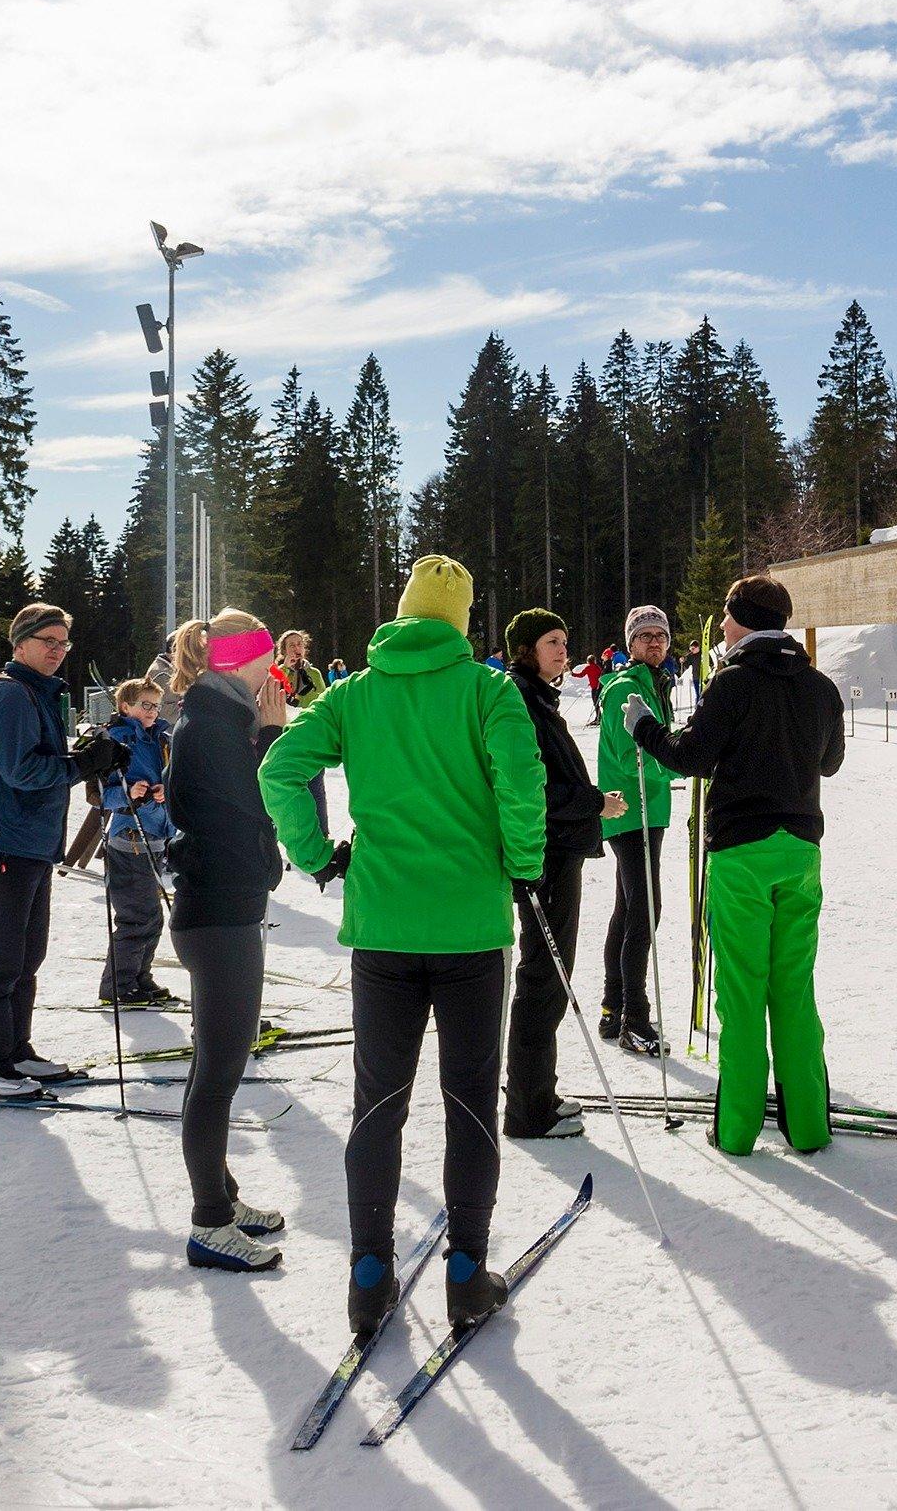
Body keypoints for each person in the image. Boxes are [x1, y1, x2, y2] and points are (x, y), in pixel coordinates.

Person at [260, 556, 546, 1339]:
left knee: (377, 1105)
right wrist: (523, 865)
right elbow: (522, 784)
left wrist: (316, 855)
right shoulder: (489, 691)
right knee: (468, 1103)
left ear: (403, 612)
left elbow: (280, 768)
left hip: (383, 931)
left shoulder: (354, 693)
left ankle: (368, 1273)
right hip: (469, 932)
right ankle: (464, 1271)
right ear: (459, 620)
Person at [626, 575, 843, 1156]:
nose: (720, 627)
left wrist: (644, 726)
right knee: (793, 989)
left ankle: (738, 1128)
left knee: (743, 992)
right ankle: (809, 1126)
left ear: (744, 619)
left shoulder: (732, 681)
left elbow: (691, 756)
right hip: (800, 850)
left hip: (742, 850)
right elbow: (831, 762)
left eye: (726, 617)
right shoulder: (819, 685)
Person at [161, 609, 292, 1271]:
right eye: (265, 659)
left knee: (216, 1066)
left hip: (225, 908)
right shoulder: (210, 725)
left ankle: (222, 1195)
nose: (274, 673)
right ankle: (207, 1223)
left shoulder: (217, 716)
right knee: (218, 1072)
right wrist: (271, 739)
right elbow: (252, 804)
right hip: (215, 916)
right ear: (241, 662)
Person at [0, 604, 128, 1099]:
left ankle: (16, 1052)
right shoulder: (13, 696)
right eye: (47, 642)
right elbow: (23, 772)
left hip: (31, 844)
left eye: (63, 643)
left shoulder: (40, 693)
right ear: (20, 646)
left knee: (26, 955)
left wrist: (87, 757)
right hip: (5, 844)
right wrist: (82, 764)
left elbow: (46, 762)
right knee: (1, 958)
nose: (57, 651)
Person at [503, 607, 626, 1138]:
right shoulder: (522, 701)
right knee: (544, 977)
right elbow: (534, 791)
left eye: (565, 641)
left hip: (554, 851)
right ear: (527, 649)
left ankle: (535, 1089)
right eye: (552, 642)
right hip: (545, 855)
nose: (563, 651)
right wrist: (594, 802)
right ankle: (529, 1108)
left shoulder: (537, 698)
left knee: (546, 975)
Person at [594, 605, 678, 1053]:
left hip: (647, 810)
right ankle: (634, 1016)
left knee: (629, 908)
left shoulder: (653, 684)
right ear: (630, 644)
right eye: (644, 636)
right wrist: (680, 760)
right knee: (645, 908)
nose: (654, 643)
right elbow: (634, 758)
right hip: (632, 809)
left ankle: (614, 1007)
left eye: (660, 636)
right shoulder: (628, 687)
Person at [98, 678, 180, 1009]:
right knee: (137, 916)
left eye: (156, 706)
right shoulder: (120, 739)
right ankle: (117, 984)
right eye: (145, 705)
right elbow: (104, 793)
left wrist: (163, 792)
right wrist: (129, 794)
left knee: (152, 917)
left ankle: (138, 976)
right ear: (126, 707)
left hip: (156, 835)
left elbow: (166, 778)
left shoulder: (159, 739)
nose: (152, 712)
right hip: (130, 837)